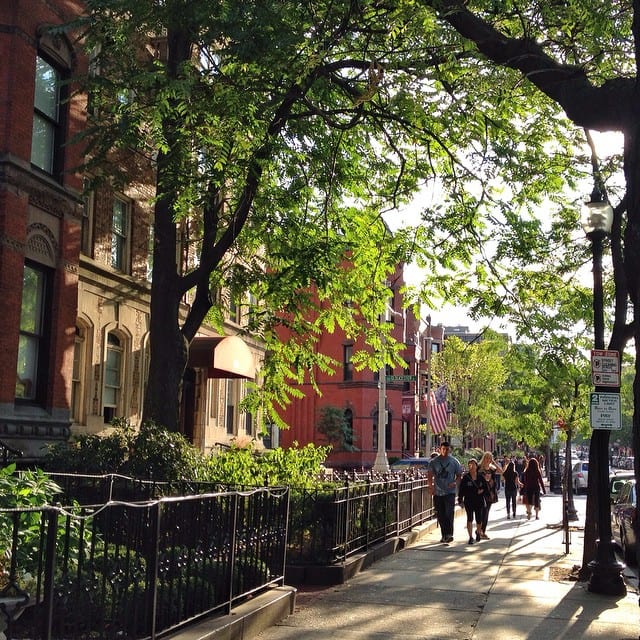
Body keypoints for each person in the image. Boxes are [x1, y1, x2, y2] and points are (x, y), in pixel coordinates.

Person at [427, 441, 463, 543]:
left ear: (449, 450)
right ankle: (444, 535)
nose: (445, 451)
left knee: (449, 513)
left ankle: (449, 534)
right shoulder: (433, 462)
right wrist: (431, 487)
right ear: (440, 449)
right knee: (441, 515)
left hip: (450, 493)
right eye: (443, 449)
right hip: (438, 493)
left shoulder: (454, 461)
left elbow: (459, 475)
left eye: (447, 449)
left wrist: (455, 483)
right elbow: (429, 475)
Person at [457, 458, 490, 544]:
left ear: (476, 466)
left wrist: (482, 490)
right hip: (469, 500)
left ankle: (478, 533)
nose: (471, 466)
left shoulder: (480, 477)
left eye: (473, 464)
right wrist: (460, 499)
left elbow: (486, 488)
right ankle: (470, 537)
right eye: (470, 464)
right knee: (470, 518)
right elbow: (461, 489)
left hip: (479, 501)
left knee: (479, 519)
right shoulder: (466, 477)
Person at [477, 451, 503, 538]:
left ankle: (482, 531)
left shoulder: (492, 468)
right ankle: (479, 530)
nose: (488, 460)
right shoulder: (479, 468)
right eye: (486, 458)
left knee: (486, 512)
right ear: (484, 458)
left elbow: (501, 471)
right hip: (481, 492)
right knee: (482, 512)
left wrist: (494, 462)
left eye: (490, 458)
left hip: (490, 492)